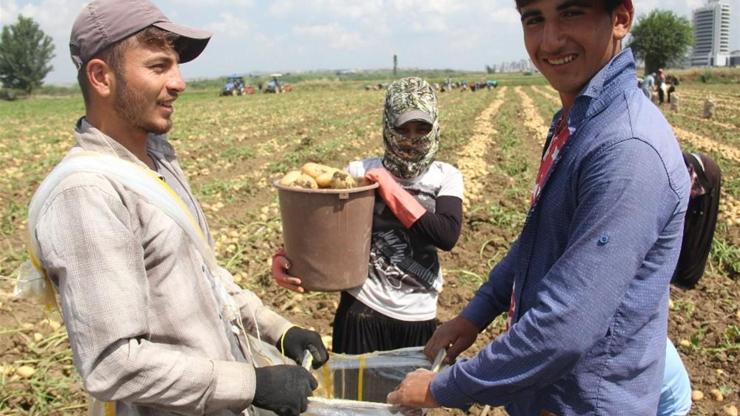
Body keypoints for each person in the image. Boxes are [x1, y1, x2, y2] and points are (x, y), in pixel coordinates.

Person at [388, 1, 691, 415]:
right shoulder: (578, 121)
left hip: (585, 403)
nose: (550, 40)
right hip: (548, 395)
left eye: (571, 13)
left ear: (620, 18)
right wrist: (474, 316)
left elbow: (565, 326)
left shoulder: (626, 150)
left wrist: (442, 388)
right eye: (534, 19)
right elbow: (538, 241)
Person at [25, 1, 328, 415]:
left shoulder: (157, 160)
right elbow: (112, 363)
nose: (180, 82)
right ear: (101, 77)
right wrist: (250, 383)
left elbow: (201, 275)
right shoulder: (89, 192)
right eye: (158, 67)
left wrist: (279, 330)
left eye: (176, 67)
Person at [272, 77, 464, 355]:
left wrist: (389, 188)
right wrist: (286, 257)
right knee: (354, 398)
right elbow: (322, 227)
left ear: (434, 127)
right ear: (388, 126)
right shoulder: (358, 172)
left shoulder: (445, 176)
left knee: (410, 397)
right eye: (403, 128)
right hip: (362, 308)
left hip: (419, 314)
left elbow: (446, 235)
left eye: (421, 128)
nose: (411, 138)